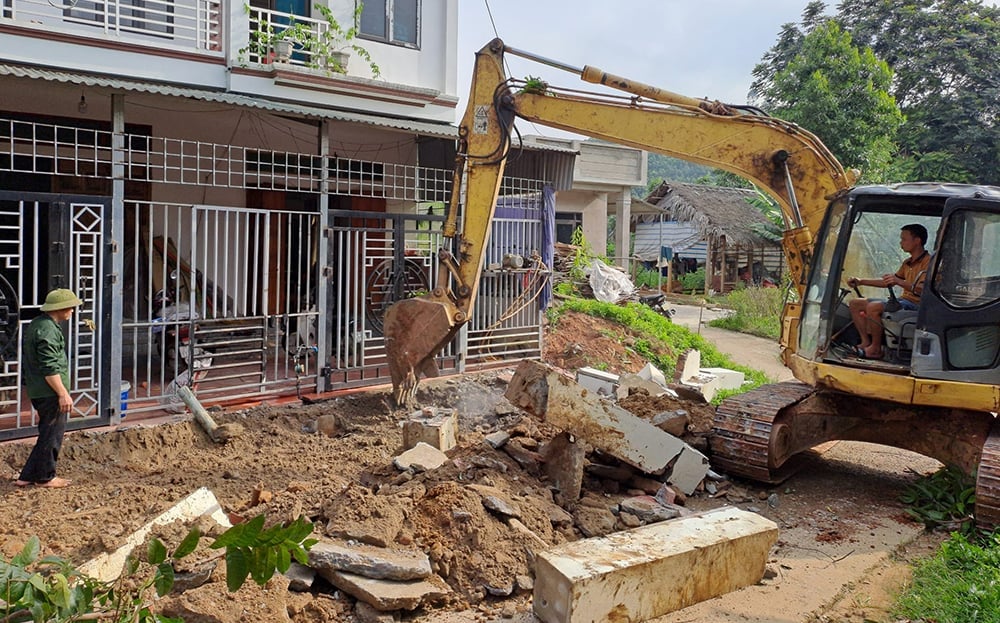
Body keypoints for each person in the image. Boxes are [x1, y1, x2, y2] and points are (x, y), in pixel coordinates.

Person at [14, 288, 83, 488]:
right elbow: (49, 366)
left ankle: (27, 476)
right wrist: (62, 393)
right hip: (49, 392)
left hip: (40, 389)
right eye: (70, 307)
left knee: (47, 432)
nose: (72, 311)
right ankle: (45, 477)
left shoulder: (39, 324)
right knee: (52, 434)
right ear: (60, 308)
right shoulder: (47, 330)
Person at [846, 224, 930, 359]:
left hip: (916, 304)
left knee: (873, 307)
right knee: (855, 304)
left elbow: (923, 290)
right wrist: (861, 281)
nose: (901, 243)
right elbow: (889, 282)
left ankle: (875, 348)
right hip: (903, 300)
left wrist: (898, 281)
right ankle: (865, 342)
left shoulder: (928, 262)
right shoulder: (907, 263)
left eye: (904, 239)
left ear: (917, 241)